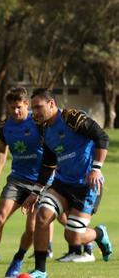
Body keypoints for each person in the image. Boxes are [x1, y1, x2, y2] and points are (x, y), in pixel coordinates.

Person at [19, 88, 112, 278]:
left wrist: (96, 169)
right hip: (62, 183)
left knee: (73, 237)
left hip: (86, 185)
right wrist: (36, 192)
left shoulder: (72, 118)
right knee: (42, 216)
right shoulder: (44, 129)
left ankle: (100, 234)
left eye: (39, 107)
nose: (35, 112)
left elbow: (102, 137)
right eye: (34, 109)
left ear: (52, 103)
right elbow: (48, 162)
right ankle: (40, 271)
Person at [0, 87, 53, 277]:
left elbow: (53, 149)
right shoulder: (5, 126)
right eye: (11, 107)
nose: (15, 111)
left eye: (19, 107)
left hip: (40, 183)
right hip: (17, 180)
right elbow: (1, 149)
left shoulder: (39, 123)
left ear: (27, 105)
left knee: (31, 228)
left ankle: (18, 260)